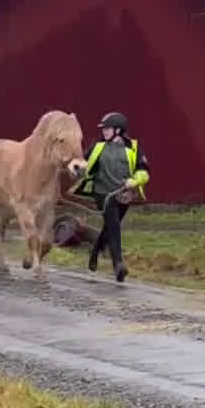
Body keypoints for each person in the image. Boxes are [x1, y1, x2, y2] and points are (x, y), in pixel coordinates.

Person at [72, 111, 148, 282]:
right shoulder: (98, 146)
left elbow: (144, 170)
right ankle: (118, 265)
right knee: (113, 225)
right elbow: (83, 162)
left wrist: (135, 180)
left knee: (109, 227)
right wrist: (78, 170)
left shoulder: (133, 147)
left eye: (107, 129)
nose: (103, 131)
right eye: (103, 129)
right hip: (103, 193)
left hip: (123, 194)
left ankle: (95, 251)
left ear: (118, 130)